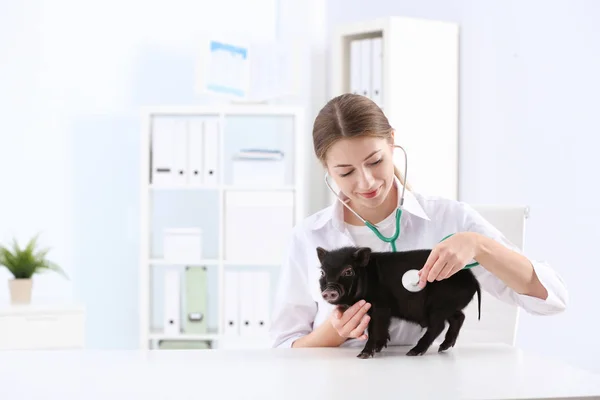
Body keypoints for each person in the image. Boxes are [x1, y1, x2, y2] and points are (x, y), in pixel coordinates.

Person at [269, 93, 568, 349]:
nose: (366, 181)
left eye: (375, 161)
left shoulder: (448, 219)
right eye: (346, 172)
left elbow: (551, 299)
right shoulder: (310, 237)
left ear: (392, 142)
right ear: (328, 170)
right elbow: (283, 348)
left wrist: (479, 246)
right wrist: (333, 332)